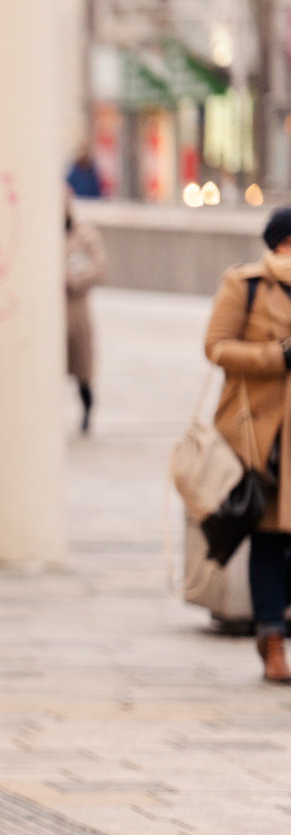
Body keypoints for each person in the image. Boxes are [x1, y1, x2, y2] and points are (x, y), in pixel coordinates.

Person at [203, 205, 291, 684]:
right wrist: (277, 357)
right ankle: (272, 640)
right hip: (264, 437)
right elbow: (216, 346)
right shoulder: (248, 284)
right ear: (282, 243)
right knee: (270, 537)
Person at [65, 188, 106, 432]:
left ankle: (87, 411)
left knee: (82, 369)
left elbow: (98, 266)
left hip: (77, 310)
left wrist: (74, 279)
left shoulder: (84, 234)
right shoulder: (41, 233)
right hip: (51, 314)